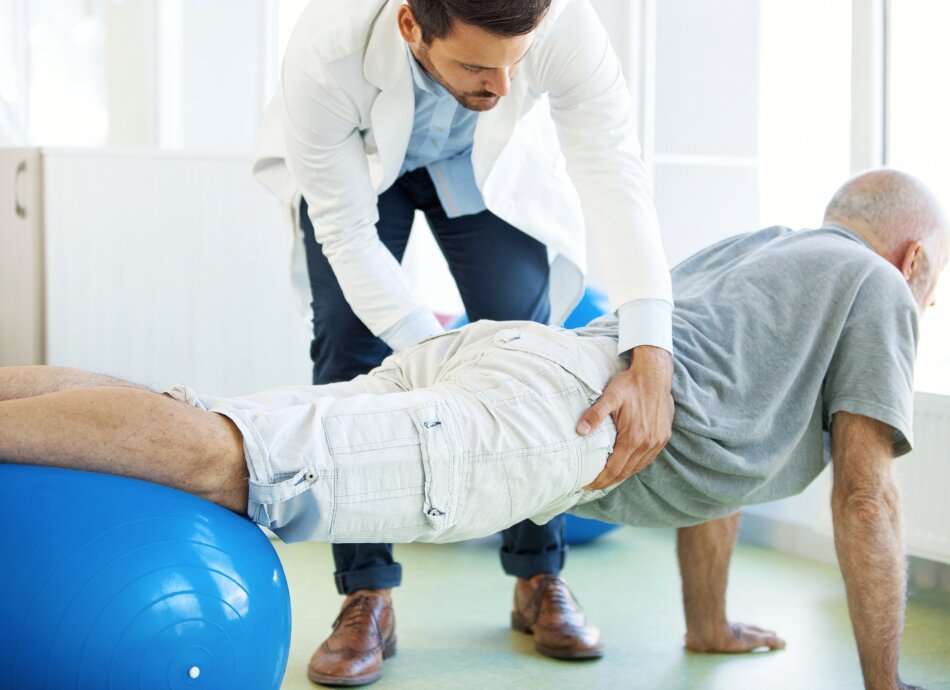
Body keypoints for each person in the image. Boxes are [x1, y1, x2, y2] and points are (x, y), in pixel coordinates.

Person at [1, 169, 946, 689]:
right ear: (915, 257)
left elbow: (718, 442)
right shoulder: (880, 291)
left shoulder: (768, 252)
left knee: (218, 419)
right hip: (545, 421)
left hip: (507, 357)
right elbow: (869, 496)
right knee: (232, 460)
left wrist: (705, 626)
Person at [253, 0, 675, 680]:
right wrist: (448, 363)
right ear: (411, 27)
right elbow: (347, 234)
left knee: (528, 338)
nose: (503, 86)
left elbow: (614, 173)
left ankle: (539, 575)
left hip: (479, 166)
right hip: (362, 168)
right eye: (478, 64)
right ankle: (366, 593)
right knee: (345, 346)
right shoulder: (327, 48)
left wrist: (653, 347)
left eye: (516, 63)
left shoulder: (563, 25)